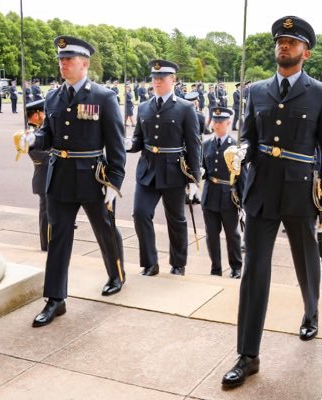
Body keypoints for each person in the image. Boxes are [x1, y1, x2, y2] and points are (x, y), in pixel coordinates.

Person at [222, 16, 322, 389]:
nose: (284, 46)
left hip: (300, 192)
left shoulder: (318, 93)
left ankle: (311, 310)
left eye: (292, 42)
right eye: (280, 40)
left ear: (305, 52)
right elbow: (249, 136)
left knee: (306, 259)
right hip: (261, 190)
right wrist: (240, 152)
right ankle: (248, 355)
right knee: (254, 270)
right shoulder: (258, 91)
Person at [21, 35, 126, 328]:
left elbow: (116, 145)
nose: (62, 64)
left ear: (84, 63)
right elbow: (49, 135)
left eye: (68, 60)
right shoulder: (53, 97)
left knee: (105, 230)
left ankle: (116, 274)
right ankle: (55, 299)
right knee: (59, 238)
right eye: (60, 60)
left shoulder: (103, 97)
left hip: (93, 177)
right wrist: (33, 137)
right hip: (61, 177)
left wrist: (113, 184)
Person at [125, 59, 201, 277]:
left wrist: (195, 179)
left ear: (173, 80)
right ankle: (150, 262)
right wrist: (129, 144)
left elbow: (194, 144)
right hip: (147, 170)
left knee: (176, 219)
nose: (157, 82)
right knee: (140, 214)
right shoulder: (144, 106)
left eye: (161, 78)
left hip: (173, 171)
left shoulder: (185, 108)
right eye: (154, 78)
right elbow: (139, 139)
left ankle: (178, 263)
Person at [201, 107, 244, 279]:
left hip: (229, 195)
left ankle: (236, 267)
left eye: (221, 122)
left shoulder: (235, 147)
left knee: (232, 234)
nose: (217, 124)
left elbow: (242, 176)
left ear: (228, 123)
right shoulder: (205, 145)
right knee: (211, 235)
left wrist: (243, 200)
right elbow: (203, 168)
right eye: (215, 121)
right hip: (210, 194)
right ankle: (215, 268)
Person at [26, 99, 49, 251]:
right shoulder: (31, 135)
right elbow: (44, 157)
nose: (46, 115)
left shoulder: (42, 132)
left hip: (51, 177)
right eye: (43, 112)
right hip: (44, 178)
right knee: (46, 214)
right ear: (35, 116)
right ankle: (46, 244)